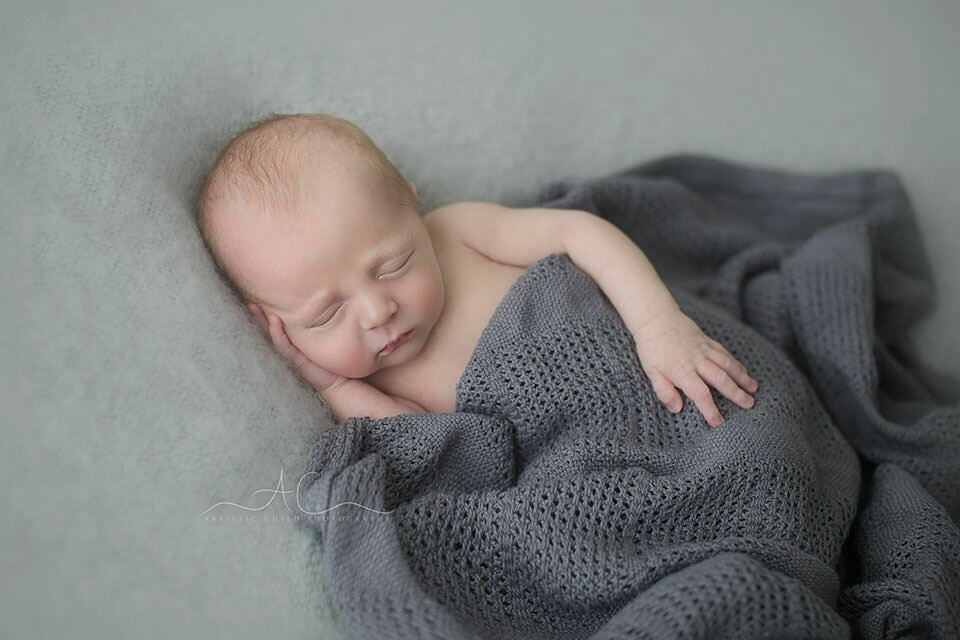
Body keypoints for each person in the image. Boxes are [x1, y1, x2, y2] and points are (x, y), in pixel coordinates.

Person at [196, 113, 758, 425]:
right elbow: (428, 447)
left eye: (393, 263)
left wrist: (658, 325)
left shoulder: (456, 230)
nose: (377, 311)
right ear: (277, 327)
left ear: (412, 211)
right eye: (325, 315)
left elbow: (576, 232)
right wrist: (334, 384)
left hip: (656, 365)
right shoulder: (369, 382)